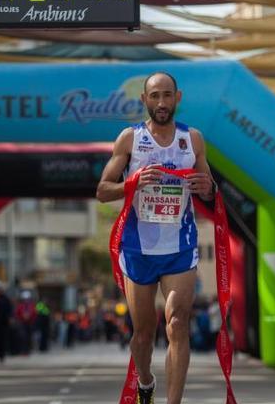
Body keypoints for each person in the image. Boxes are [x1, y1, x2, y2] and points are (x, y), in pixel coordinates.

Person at [96, 71, 215, 404]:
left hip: (180, 246)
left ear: (178, 98)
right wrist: (130, 184)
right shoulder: (130, 139)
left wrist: (209, 188)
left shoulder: (192, 140)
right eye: (155, 96)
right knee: (144, 335)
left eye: (167, 95)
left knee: (177, 321)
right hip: (138, 248)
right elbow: (103, 191)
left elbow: (208, 187)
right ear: (144, 100)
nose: (161, 103)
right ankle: (145, 380)